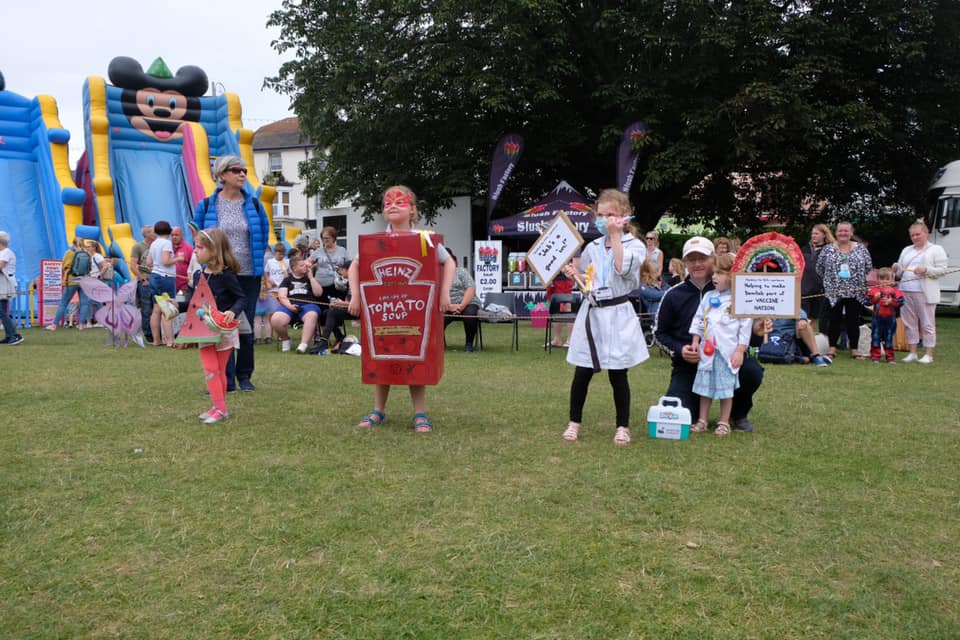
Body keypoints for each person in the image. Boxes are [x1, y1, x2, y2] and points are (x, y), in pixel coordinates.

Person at [347, 185, 455, 432]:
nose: (393, 206)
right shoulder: (375, 242)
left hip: (414, 313)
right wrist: (355, 295)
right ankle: (378, 410)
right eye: (387, 203)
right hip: (383, 313)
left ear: (413, 210)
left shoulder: (425, 239)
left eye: (400, 202)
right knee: (381, 357)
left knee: (416, 356)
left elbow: (449, 261)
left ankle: (419, 413)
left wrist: (444, 293)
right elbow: (354, 266)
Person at [560, 189, 648, 446]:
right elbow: (588, 279)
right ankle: (574, 422)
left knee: (618, 373)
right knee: (582, 371)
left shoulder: (635, 246)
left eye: (610, 214)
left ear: (624, 216)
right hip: (592, 312)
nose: (604, 220)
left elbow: (621, 268)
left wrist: (616, 235)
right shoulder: (593, 247)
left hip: (618, 314)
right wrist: (574, 274)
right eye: (600, 215)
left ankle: (622, 426)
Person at [655, 236, 767, 432]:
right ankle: (700, 417)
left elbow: (745, 332)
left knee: (752, 371)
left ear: (713, 259)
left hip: (727, 358)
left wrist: (757, 333)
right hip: (689, 365)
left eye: (702, 258)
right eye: (691, 259)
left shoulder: (735, 293)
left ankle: (737, 414)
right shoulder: (673, 294)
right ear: (685, 262)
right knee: (682, 416)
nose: (697, 264)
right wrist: (681, 350)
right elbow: (660, 333)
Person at [192, 155, 270, 392]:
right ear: (222, 175)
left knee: (244, 327)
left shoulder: (254, 204)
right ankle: (225, 380)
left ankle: (244, 376)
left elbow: (263, 235)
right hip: (218, 274)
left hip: (248, 274)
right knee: (219, 326)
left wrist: (257, 266)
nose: (242, 174)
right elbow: (198, 237)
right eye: (236, 170)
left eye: (244, 170)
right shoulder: (207, 205)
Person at [689, 254, 753, 437]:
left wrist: (740, 351)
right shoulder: (708, 296)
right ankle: (702, 420)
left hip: (727, 353)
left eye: (719, 273)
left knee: (726, 390)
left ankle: (724, 422)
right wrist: (695, 341)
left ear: (732, 276)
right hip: (707, 352)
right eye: (714, 273)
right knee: (705, 389)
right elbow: (699, 319)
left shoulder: (740, 300)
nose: (714, 277)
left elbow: (745, 328)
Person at [192, 229, 246, 425]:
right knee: (210, 369)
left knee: (219, 370)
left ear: (214, 251)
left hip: (224, 330)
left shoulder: (226, 275)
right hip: (204, 330)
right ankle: (218, 407)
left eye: (199, 247)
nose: (195, 251)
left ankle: (220, 409)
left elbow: (241, 298)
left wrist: (233, 311)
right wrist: (175, 305)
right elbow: (194, 303)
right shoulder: (198, 275)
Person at [893, 219, 949, 363]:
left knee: (927, 323)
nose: (915, 237)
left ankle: (929, 354)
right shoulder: (906, 249)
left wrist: (926, 270)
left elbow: (943, 271)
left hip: (924, 292)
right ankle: (912, 352)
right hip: (905, 290)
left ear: (926, 233)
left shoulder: (936, 249)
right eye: (912, 235)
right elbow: (899, 272)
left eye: (918, 234)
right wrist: (896, 269)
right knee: (909, 323)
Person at [816, 221, 873, 359]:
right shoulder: (828, 249)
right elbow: (819, 268)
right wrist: (831, 281)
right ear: (836, 233)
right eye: (840, 230)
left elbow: (868, 266)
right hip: (834, 291)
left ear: (851, 233)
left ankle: (854, 349)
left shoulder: (861, 248)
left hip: (856, 290)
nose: (843, 233)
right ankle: (832, 348)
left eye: (846, 231)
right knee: (834, 319)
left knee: (853, 319)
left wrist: (856, 279)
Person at [272, 255, 328, 353]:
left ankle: (303, 344)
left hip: (309, 305)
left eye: (305, 265)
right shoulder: (287, 280)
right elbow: (282, 296)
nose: (306, 267)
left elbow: (318, 293)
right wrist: (290, 306)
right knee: (276, 319)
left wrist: (311, 278)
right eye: (302, 265)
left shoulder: (309, 278)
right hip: (289, 305)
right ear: (294, 268)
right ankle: (285, 339)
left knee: (311, 315)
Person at [48, 237, 92, 332]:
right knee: (84, 304)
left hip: (71, 280)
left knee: (63, 303)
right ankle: (81, 325)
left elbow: (65, 266)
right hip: (84, 280)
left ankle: (54, 325)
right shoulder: (88, 253)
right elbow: (90, 267)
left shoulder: (70, 253)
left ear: (73, 243)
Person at [147, 221, 180, 346]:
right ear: (170, 231)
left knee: (156, 309)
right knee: (167, 308)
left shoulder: (154, 243)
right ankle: (170, 340)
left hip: (154, 276)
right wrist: (178, 259)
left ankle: (156, 340)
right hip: (165, 277)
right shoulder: (166, 243)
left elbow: (149, 262)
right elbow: (166, 261)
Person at [800, 223, 835, 334]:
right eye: (812, 234)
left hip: (820, 291)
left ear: (824, 235)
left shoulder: (830, 250)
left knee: (815, 318)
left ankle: (812, 338)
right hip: (804, 290)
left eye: (816, 233)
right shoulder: (804, 249)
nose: (813, 236)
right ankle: (804, 339)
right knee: (803, 318)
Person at [866, 267, 905, 364]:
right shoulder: (874, 290)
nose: (884, 281)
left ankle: (890, 357)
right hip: (877, 319)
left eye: (887, 279)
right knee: (875, 337)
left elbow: (901, 302)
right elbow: (866, 302)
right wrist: (875, 298)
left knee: (889, 337)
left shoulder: (895, 291)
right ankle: (875, 356)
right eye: (881, 279)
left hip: (890, 319)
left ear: (892, 280)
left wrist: (891, 301)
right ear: (878, 279)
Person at [444, 249, 480, 352]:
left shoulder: (461, 271)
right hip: (447, 304)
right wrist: (449, 306)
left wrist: (461, 306)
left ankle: (469, 344)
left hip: (468, 302)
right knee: (436, 318)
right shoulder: (437, 274)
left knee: (469, 315)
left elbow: (471, 288)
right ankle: (438, 344)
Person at [130, 225, 156, 342]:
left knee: (156, 307)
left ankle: (157, 332)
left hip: (156, 279)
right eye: (152, 232)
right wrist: (142, 279)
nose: (155, 234)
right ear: (146, 234)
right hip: (145, 280)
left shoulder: (156, 246)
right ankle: (148, 333)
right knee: (146, 308)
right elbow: (132, 265)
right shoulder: (138, 247)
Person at [311, 226, 350, 299]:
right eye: (323, 238)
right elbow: (308, 263)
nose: (324, 240)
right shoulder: (318, 251)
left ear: (333, 238)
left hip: (338, 285)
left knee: (338, 305)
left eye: (327, 238)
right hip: (321, 286)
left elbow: (349, 266)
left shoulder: (342, 250)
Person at [0, 231, 24, 345]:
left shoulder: (6, 253)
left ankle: (14, 335)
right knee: (2, 310)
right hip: (3, 283)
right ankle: (9, 335)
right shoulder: (4, 252)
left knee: (1, 311)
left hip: (5, 283)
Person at [546, 261, 576, 348]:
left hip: (564, 279)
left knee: (568, 309)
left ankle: (570, 339)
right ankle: (557, 339)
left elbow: (574, 262)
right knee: (555, 309)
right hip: (551, 278)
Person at [170, 226, 194, 294]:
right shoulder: (167, 247)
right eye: (172, 235)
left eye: (176, 235)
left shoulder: (188, 248)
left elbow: (193, 266)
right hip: (170, 286)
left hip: (184, 287)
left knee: (182, 301)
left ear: (182, 235)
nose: (174, 237)